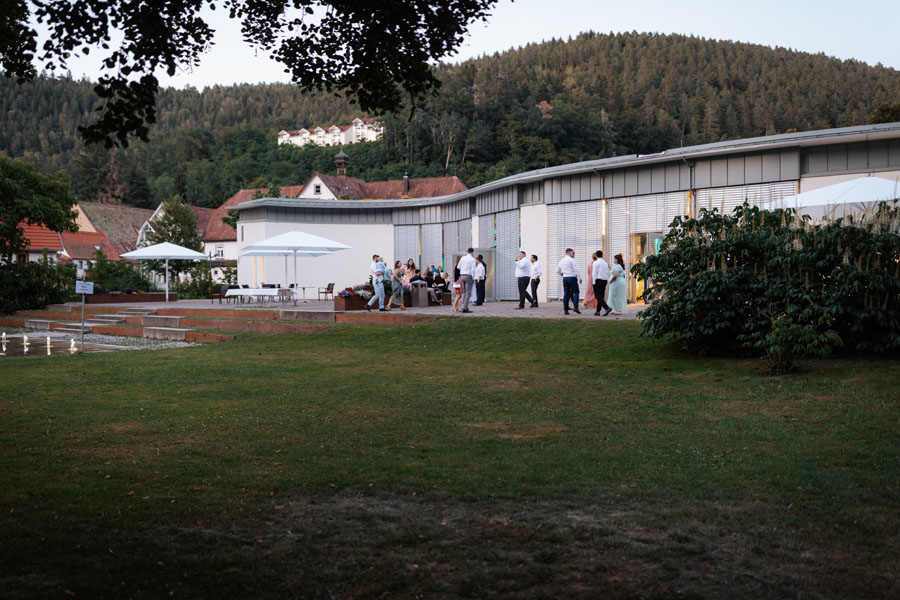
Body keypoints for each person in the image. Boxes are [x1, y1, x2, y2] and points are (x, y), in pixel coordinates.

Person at [556, 248, 582, 315]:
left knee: (566, 294)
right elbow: (576, 269)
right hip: (572, 277)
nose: (573, 254)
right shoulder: (572, 260)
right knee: (576, 292)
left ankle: (566, 310)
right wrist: (580, 278)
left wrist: (562, 274)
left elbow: (557, 270)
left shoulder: (561, 260)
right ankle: (576, 307)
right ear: (569, 253)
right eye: (573, 253)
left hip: (565, 278)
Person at [592, 250, 613, 316]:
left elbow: (594, 273)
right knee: (601, 296)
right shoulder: (605, 263)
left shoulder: (595, 263)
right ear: (602, 255)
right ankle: (598, 311)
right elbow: (607, 272)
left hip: (598, 280)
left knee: (597, 296)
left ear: (596, 255)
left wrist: (593, 282)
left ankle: (607, 308)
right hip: (604, 280)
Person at [457, 248, 476, 313]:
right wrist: (473, 278)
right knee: (468, 292)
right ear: (472, 252)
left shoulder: (462, 258)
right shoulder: (472, 259)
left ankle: (463, 306)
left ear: (467, 252)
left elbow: (458, 267)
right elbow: (473, 270)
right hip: (469, 276)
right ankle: (465, 308)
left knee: (465, 292)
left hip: (462, 275)